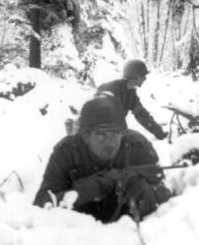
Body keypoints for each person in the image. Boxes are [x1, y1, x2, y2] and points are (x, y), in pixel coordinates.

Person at [34, 94, 171, 223]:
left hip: (129, 230)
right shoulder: (67, 151)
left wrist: (141, 189)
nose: (110, 141)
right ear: (86, 136)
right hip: (79, 231)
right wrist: (89, 189)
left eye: (116, 133)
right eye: (102, 135)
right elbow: (41, 204)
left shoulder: (137, 145)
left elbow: (164, 193)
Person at [96, 59, 167, 140]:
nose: (145, 78)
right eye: (143, 76)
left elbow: (142, 115)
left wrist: (159, 133)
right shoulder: (110, 89)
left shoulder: (130, 94)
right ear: (136, 77)